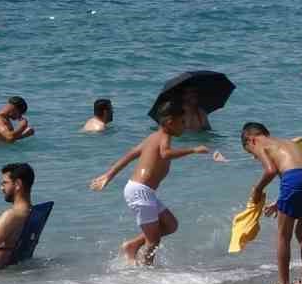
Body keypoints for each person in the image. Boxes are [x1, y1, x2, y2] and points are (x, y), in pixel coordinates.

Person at [89, 99, 213, 264]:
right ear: (170, 122)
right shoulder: (165, 137)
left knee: (170, 225)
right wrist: (194, 149)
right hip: (140, 191)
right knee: (153, 240)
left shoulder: (153, 136)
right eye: (182, 122)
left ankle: (132, 246)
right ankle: (145, 271)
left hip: (141, 191)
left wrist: (108, 175)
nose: (185, 125)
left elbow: (130, 154)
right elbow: (166, 154)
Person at [241, 122, 302, 284]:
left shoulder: (260, 144)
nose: (254, 157)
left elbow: (271, 171)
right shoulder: (286, 142)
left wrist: (258, 189)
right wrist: (279, 202)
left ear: (251, 139)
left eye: (250, 153)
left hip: (294, 178)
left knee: (284, 235)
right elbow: (294, 169)